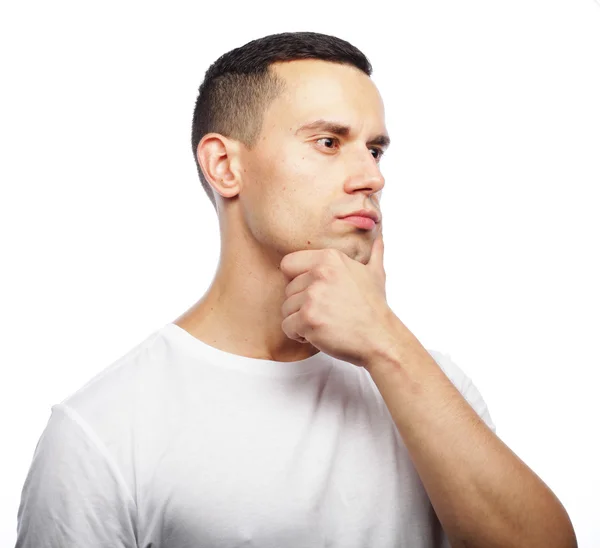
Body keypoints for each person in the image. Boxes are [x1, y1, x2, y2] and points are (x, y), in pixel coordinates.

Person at [15, 31, 576, 548]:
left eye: (374, 150)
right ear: (224, 166)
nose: (372, 176)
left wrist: (384, 342)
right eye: (329, 142)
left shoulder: (427, 380)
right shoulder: (104, 430)